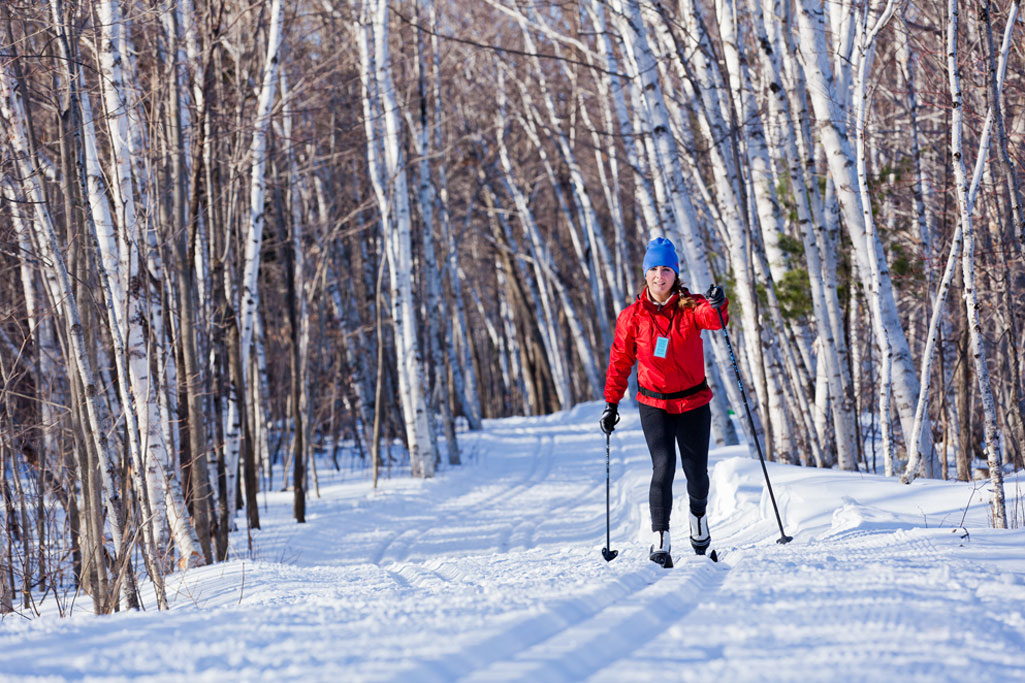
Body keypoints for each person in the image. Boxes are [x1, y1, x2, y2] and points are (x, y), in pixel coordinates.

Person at [600, 237, 728, 565]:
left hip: (693, 403)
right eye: (654, 268)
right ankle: (661, 538)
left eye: (666, 269)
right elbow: (619, 361)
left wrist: (718, 303)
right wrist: (611, 403)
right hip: (654, 404)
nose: (660, 275)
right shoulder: (633, 316)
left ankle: (698, 518)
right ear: (645, 273)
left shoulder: (691, 306)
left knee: (696, 473)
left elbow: (714, 320)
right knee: (663, 467)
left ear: (676, 273)